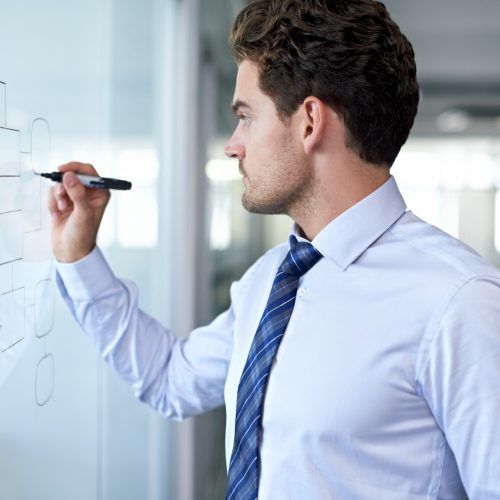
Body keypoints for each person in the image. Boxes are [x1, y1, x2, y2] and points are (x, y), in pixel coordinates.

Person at [49, 0, 500, 498]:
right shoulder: (271, 280)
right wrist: (80, 255)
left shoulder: (459, 302)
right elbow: (171, 379)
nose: (232, 144)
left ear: (309, 122)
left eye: (246, 117)